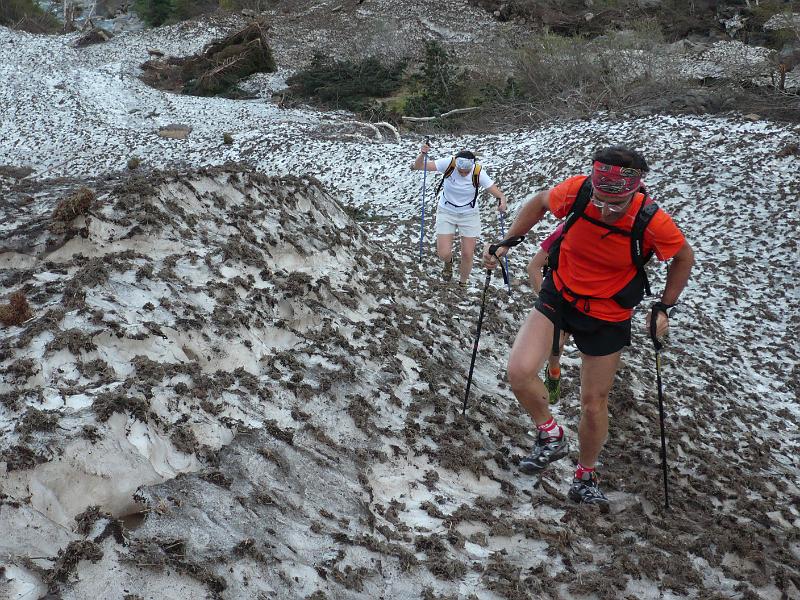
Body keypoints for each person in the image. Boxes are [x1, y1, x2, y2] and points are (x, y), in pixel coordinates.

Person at [485, 145, 694, 505]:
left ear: (635, 190)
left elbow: (683, 257)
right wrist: (510, 240)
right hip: (560, 295)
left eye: (615, 204)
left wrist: (664, 307)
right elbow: (539, 202)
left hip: (608, 313)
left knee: (593, 402)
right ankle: (550, 435)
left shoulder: (652, 220)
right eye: (599, 200)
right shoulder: (578, 191)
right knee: (519, 372)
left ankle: (585, 475)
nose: (605, 209)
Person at [412, 143, 508, 287]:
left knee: (467, 254)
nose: (463, 173)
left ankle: (462, 283)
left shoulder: (478, 171)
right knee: (443, 253)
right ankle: (448, 262)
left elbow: (495, 191)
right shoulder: (448, 164)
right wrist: (422, 154)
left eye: (466, 171)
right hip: (446, 211)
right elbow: (420, 166)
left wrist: (502, 200)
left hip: (469, 214)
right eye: (460, 171)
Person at [526, 223, 569, 405]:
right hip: (561, 300)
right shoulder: (568, 227)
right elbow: (534, 267)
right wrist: (546, 304)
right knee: (556, 344)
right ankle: (553, 374)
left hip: (601, 306)